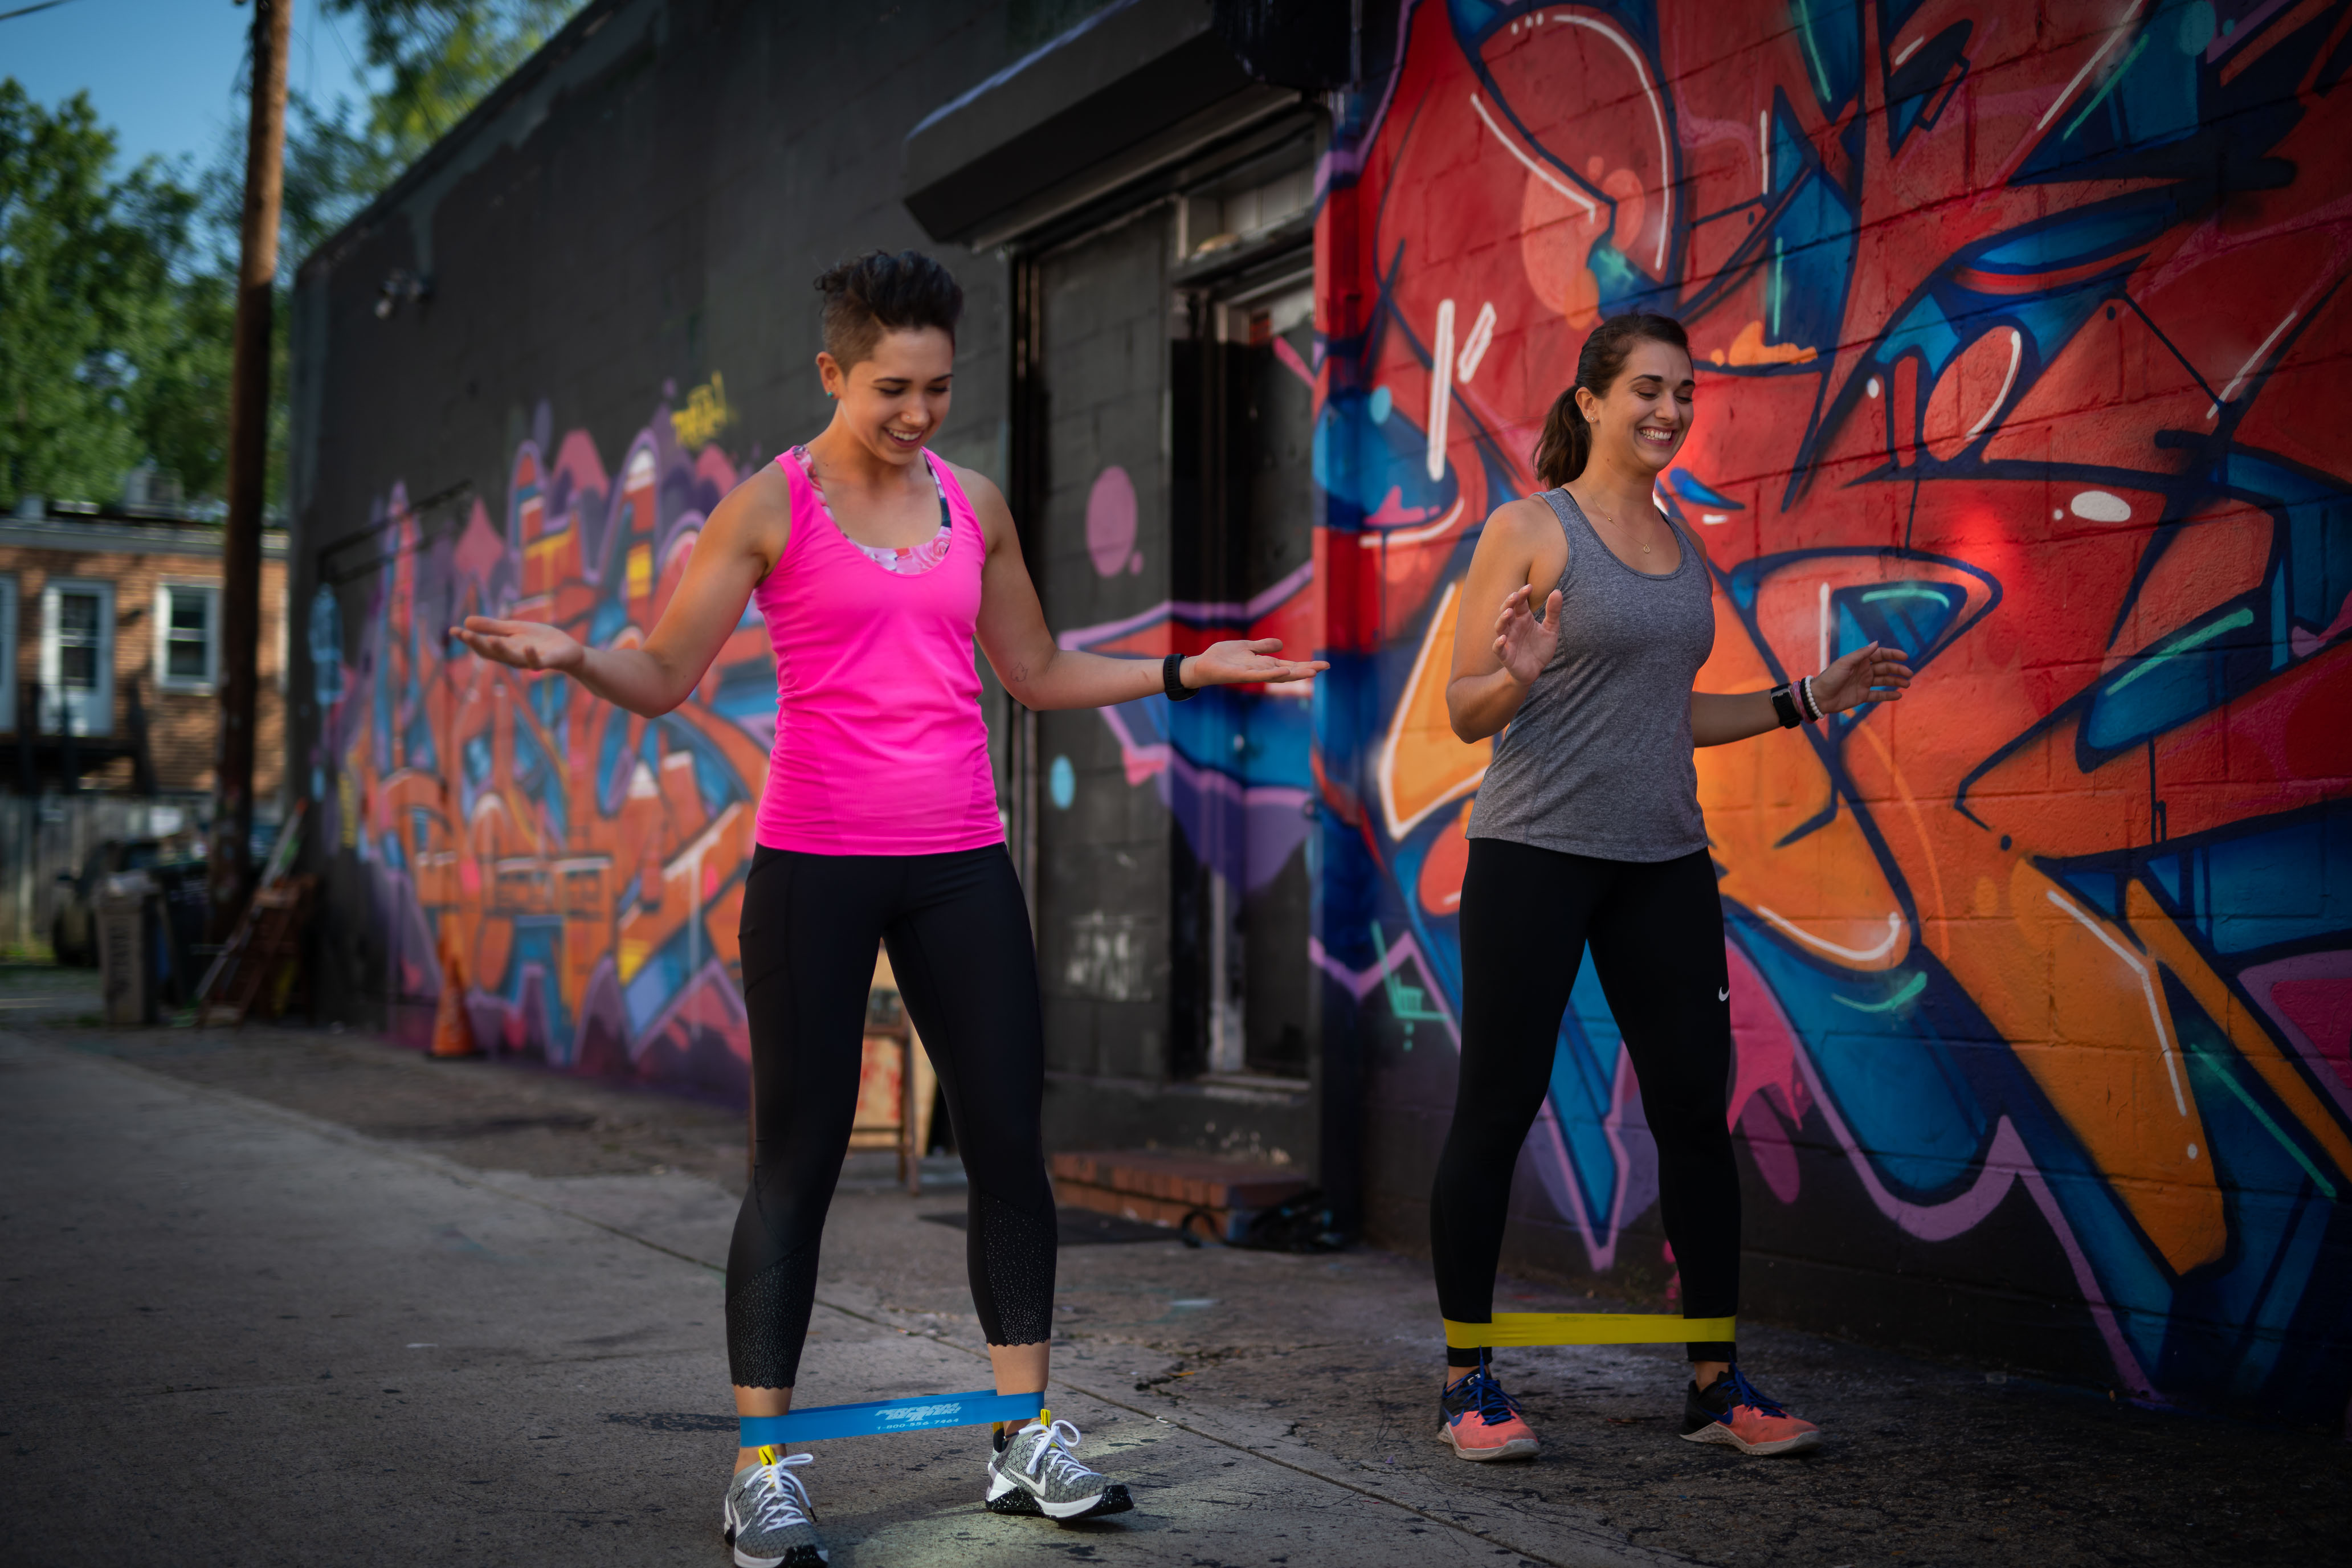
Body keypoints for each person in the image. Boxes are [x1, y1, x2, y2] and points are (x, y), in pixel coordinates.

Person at [454, 250, 1325, 1567]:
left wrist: (1185, 666)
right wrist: (579, 654)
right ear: (831, 373)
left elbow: (1028, 669)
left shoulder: (973, 504)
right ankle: (761, 1467)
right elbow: (667, 672)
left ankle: (1021, 1433)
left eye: (937, 388)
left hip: (961, 860)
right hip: (814, 863)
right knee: (796, 1167)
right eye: (890, 390)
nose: (919, 413)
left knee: (1008, 1148)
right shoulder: (766, 508)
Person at [1428, 311, 1912, 1463]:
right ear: (1591, 399)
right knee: (1498, 1106)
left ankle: (1714, 1382)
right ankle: (1466, 1382)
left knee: (1696, 1111)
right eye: (1648, 388)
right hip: (1535, 850)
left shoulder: (1680, 542)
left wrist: (1808, 694)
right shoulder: (1530, 529)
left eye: (1684, 393)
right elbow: (1463, 708)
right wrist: (1520, 674)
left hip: (1663, 858)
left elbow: (1665, 713)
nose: (1670, 410)